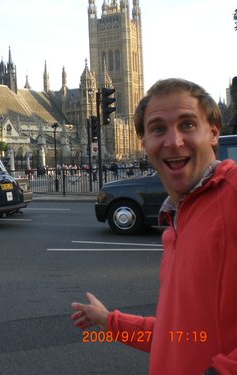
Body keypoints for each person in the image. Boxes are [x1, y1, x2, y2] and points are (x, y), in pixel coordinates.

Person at [71, 78, 237, 375]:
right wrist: (109, 320)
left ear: (213, 133)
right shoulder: (176, 220)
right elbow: (179, 335)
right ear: (144, 142)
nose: (173, 141)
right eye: (158, 129)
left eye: (187, 124)